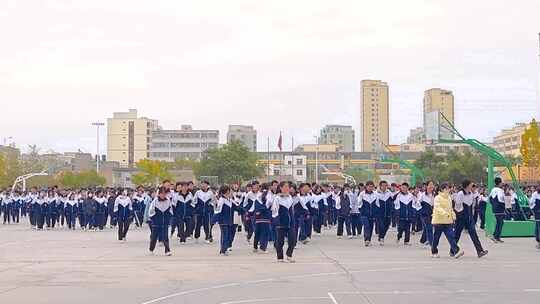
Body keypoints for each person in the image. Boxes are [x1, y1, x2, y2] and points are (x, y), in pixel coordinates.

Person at [453, 180, 489, 258]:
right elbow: (457, 205)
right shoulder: (460, 193)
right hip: (461, 217)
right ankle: (452, 250)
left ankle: (480, 251)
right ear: (467, 186)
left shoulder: (471, 193)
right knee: (457, 234)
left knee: (474, 234)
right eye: (471, 185)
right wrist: (460, 214)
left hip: (469, 217)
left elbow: (476, 198)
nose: (472, 186)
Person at [431, 183, 464, 259]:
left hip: (448, 221)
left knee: (451, 236)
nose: (448, 190)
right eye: (446, 188)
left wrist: (453, 215)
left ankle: (456, 251)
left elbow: (450, 208)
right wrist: (445, 213)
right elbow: (437, 208)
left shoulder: (449, 198)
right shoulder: (437, 198)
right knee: (436, 237)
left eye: (449, 188)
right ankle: (434, 251)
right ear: (442, 189)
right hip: (438, 221)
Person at [272, 181, 296, 262]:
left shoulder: (290, 197)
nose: (287, 188)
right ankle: (280, 257)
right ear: (281, 188)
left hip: (291, 223)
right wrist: (277, 221)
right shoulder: (277, 198)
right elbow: (274, 211)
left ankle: (289, 255)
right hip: (281, 223)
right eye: (285, 186)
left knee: (292, 240)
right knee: (280, 241)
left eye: (288, 187)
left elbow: (292, 210)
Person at [214, 185, 238, 256]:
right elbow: (218, 210)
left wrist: (244, 211)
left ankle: (224, 249)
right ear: (227, 191)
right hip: (223, 221)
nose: (231, 192)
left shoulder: (229, 200)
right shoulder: (222, 200)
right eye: (230, 190)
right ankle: (223, 250)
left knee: (227, 235)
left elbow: (237, 207)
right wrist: (214, 220)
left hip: (229, 221)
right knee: (225, 235)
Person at [148, 187, 173, 256]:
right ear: (158, 194)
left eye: (164, 193)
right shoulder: (155, 201)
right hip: (156, 223)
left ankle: (167, 250)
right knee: (154, 237)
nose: (163, 195)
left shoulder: (168, 201)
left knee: (165, 237)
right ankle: (151, 249)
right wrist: (154, 219)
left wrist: (169, 219)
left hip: (165, 222)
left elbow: (171, 211)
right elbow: (151, 211)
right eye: (161, 193)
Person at [359, 181, 379, 246]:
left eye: (371, 186)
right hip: (364, 214)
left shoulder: (375, 194)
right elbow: (359, 203)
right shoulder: (362, 194)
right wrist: (361, 210)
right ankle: (366, 240)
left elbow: (377, 204)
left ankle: (369, 240)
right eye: (369, 186)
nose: (370, 188)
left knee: (371, 227)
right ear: (366, 187)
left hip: (372, 214)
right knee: (366, 226)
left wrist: (376, 212)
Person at [418, 181, 435, 247]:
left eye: (432, 185)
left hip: (432, 215)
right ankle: (432, 244)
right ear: (426, 186)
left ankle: (422, 241)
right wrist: (421, 210)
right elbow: (417, 203)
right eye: (430, 185)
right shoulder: (422, 195)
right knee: (429, 228)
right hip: (424, 215)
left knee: (426, 228)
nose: (431, 186)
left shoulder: (435, 195)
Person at [377, 181, 393, 245]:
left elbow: (393, 198)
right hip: (379, 213)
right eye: (383, 185)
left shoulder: (389, 193)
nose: (384, 187)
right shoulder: (376, 193)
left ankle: (381, 236)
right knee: (381, 226)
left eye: (385, 185)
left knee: (386, 226)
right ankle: (381, 238)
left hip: (388, 213)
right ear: (380, 186)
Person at [489, 177, 506, 243]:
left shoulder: (493, 189)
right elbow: (500, 199)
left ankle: (497, 237)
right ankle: (495, 236)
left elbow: (490, 198)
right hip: (500, 208)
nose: (502, 183)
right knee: (500, 222)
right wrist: (505, 205)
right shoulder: (499, 190)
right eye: (502, 182)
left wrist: (493, 205)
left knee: (500, 222)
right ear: (499, 183)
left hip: (495, 208)